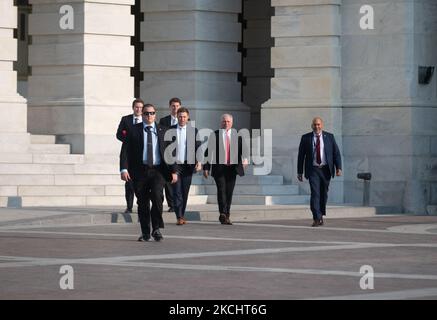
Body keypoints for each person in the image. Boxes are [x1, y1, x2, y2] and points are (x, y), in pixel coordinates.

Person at [120, 103, 170, 241]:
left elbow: (172, 153)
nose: (149, 116)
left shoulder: (163, 130)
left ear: (155, 114)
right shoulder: (133, 129)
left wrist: (175, 171)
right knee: (142, 203)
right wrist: (124, 169)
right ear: (142, 115)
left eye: (152, 113)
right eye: (147, 113)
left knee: (157, 197)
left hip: (158, 171)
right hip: (139, 172)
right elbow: (125, 151)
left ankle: (156, 228)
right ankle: (146, 232)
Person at [203, 114, 248, 225]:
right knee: (221, 190)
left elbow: (244, 151)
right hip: (220, 168)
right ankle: (222, 213)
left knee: (229, 192)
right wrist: (206, 168)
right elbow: (208, 153)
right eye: (224, 121)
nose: (226, 123)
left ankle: (227, 214)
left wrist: (245, 160)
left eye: (228, 121)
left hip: (232, 169)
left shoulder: (237, 136)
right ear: (221, 122)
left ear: (232, 123)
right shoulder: (215, 135)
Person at [297, 117, 342, 227]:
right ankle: (316, 218)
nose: (317, 127)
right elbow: (301, 156)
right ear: (312, 125)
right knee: (315, 193)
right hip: (313, 170)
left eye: (318, 124)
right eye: (315, 124)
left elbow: (336, 153)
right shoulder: (306, 138)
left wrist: (338, 168)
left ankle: (320, 214)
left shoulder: (329, 137)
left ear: (322, 125)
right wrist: (299, 172)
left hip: (326, 169)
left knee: (324, 194)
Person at [167, 107, 201, 225]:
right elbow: (167, 148)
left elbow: (198, 147)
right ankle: (179, 216)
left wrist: (199, 162)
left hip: (188, 165)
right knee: (177, 192)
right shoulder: (170, 130)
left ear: (188, 118)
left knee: (184, 192)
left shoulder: (193, 130)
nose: (182, 119)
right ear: (177, 117)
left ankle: (182, 213)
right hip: (175, 165)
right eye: (180, 116)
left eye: (184, 117)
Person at [116, 98, 143, 214]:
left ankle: (141, 204)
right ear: (133, 108)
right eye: (137, 107)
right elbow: (119, 134)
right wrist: (128, 140)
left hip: (142, 156)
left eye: (141, 107)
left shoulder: (145, 120)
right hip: (128, 154)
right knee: (129, 184)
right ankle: (129, 206)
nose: (138, 109)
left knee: (141, 184)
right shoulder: (126, 119)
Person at [158, 97, 181, 212]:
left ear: (180, 107)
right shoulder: (163, 121)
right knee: (168, 182)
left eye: (177, 106)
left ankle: (178, 204)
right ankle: (171, 205)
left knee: (178, 181)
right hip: (168, 153)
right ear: (169, 107)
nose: (175, 108)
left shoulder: (186, 120)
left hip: (181, 154)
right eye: (173, 106)